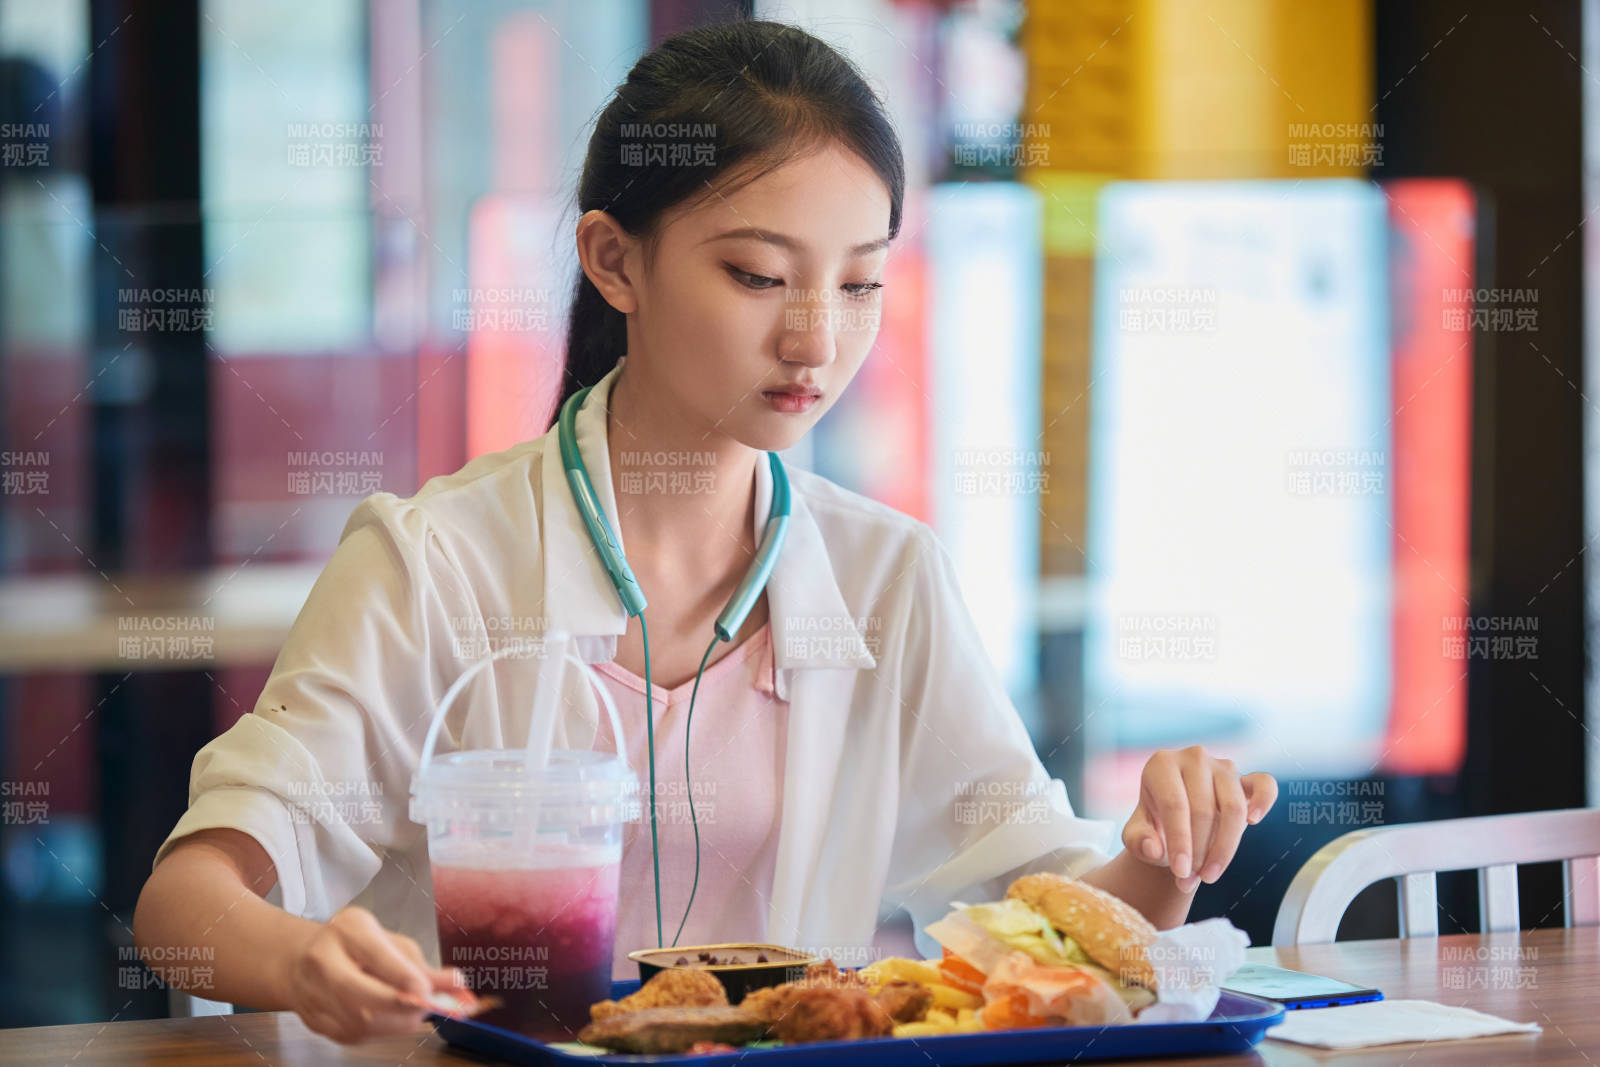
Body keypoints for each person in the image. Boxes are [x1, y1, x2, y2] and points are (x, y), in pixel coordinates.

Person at [133, 18, 1278, 1046]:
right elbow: (184, 908)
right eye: (758, 275)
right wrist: (299, 960)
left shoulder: (887, 579)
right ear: (613, 259)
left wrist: (1166, 849)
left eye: (861, 285)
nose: (815, 340)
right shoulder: (435, 562)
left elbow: (1057, 920)